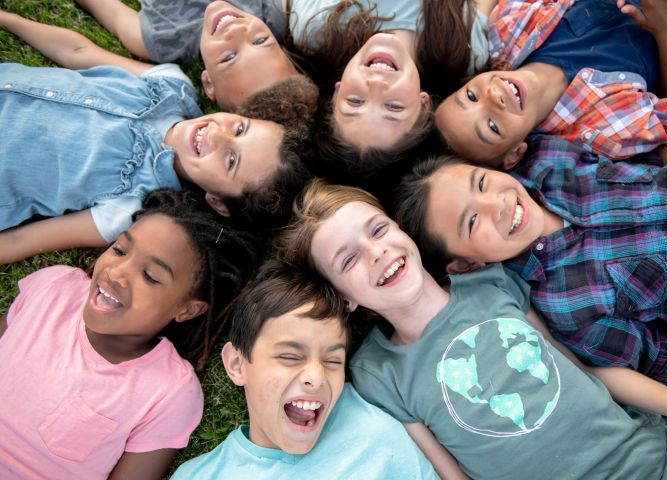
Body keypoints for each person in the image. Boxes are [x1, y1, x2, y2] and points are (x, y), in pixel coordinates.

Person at [275, 179, 667, 479]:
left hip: (661, 467)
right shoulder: (376, 371)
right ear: (345, 299)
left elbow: (583, 372)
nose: (376, 252)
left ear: (401, 230)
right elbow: (452, 473)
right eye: (348, 260)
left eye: (378, 229)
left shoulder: (491, 283)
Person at [393, 137, 667, 387]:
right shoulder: (567, 310)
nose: (498, 204)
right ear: (466, 265)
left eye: (481, 182)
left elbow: (651, 155)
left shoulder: (548, 156)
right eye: (473, 221)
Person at [0, 11, 315, 263]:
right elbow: (79, 52)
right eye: (239, 128)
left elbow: (24, 240)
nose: (218, 136)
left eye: (231, 160)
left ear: (217, 202)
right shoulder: (169, 87)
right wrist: (8, 19)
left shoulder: (129, 207)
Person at [0, 189, 260, 479]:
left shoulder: (169, 393)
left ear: (188, 309)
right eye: (120, 250)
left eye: (150, 276)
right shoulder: (53, 288)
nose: (117, 273)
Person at [171, 260, 439, 479]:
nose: (316, 376)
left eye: (333, 361)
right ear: (237, 364)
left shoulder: (378, 435)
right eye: (290, 356)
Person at [435, 0, 667, 168]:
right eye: (492, 127)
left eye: (471, 96)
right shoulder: (598, 129)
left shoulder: (507, 35)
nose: (493, 98)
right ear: (514, 153)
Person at [287, 0, 494, 193]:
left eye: (354, 101)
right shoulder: (464, 52)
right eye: (394, 107)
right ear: (423, 104)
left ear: (337, 92)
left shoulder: (317, 28)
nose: (376, 84)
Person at [66, 0, 300, 111]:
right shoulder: (276, 11)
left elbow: (107, 10)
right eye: (260, 42)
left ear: (208, 83)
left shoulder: (161, 39)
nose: (237, 32)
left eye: (229, 57)